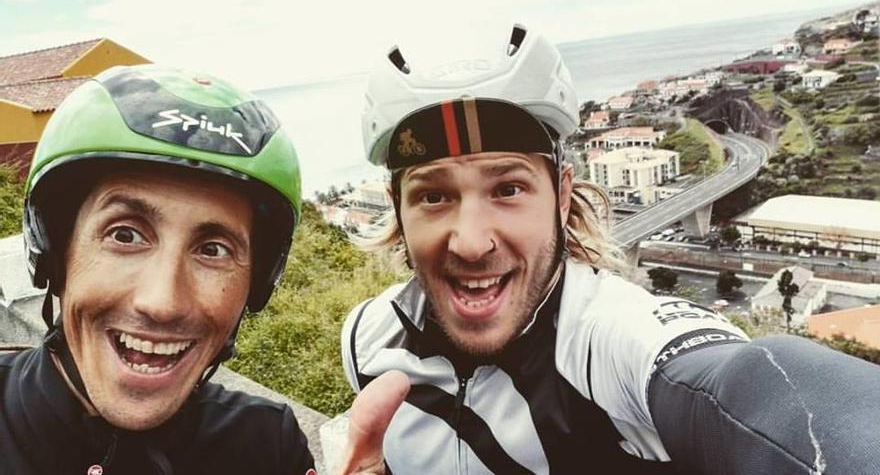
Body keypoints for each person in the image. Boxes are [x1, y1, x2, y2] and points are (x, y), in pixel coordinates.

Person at [337, 24, 880, 474]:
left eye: (508, 189)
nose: (473, 242)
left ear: (562, 194)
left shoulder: (606, 342)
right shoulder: (367, 340)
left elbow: (744, 388)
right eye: (433, 196)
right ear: (398, 209)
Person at [0, 65, 316, 474]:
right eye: (125, 235)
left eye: (213, 249)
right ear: (54, 252)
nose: (163, 303)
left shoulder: (268, 445)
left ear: (255, 285)